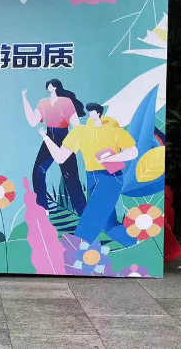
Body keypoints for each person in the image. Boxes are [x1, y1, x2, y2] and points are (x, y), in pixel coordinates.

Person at [40, 103, 138, 246]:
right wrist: (46, 138)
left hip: (111, 176)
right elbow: (60, 157)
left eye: (92, 111)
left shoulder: (116, 131)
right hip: (91, 177)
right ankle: (133, 241)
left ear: (99, 113)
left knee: (95, 212)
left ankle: (76, 247)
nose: (89, 114)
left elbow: (133, 152)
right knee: (108, 223)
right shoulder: (79, 132)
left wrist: (111, 158)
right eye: (88, 112)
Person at [21, 79, 87, 215]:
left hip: (64, 137)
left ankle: (83, 211)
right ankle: (42, 208)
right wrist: (24, 98)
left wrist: (74, 143)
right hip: (49, 137)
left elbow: (76, 125)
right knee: (38, 171)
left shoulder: (66, 102)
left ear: (56, 86)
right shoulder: (43, 102)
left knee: (70, 176)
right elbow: (33, 121)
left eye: (50, 84)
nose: (48, 86)